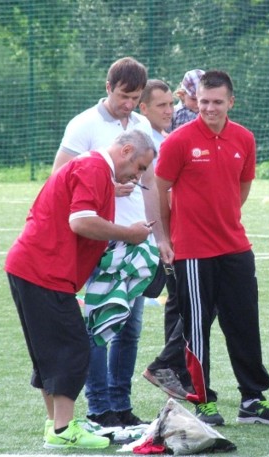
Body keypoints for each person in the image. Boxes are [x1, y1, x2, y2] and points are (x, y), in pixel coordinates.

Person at [155, 70, 269, 427]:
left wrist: (223, 217)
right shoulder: (179, 141)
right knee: (197, 328)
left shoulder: (244, 138)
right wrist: (164, 239)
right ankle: (202, 401)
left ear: (231, 101)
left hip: (235, 247)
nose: (209, 109)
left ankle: (252, 400)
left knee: (244, 323)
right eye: (203, 102)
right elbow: (159, 191)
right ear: (195, 101)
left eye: (217, 102)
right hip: (193, 252)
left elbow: (241, 188)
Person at [5, 130, 156, 449]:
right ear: (126, 150)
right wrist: (129, 234)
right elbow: (81, 221)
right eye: (140, 166)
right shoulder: (94, 167)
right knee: (73, 348)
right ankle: (63, 430)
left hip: (35, 268)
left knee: (49, 353)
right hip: (44, 270)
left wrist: (111, 191)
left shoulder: (95, 170)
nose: (139, 175)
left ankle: (57, 425)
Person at [52, 57, 165, 428]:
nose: (128, 104)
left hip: (136, 240)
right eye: (123, 96)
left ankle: (120, 404)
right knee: (101, 324)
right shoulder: (83, 125)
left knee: (130, 327)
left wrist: (159, 235)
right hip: (101, 238)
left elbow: (149, 183)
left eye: (135, 97)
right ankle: (99, 407)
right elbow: (59, 179)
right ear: (108, 87)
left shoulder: (143, 125)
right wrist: (106, 189)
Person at [138, 79, 194, 400]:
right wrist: (162, 237)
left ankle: (176, 371)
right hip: (158, 237)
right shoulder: (144, 142)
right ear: (143, 108)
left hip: (172, 234)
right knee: (193, 304)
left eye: (171, 104)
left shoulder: (165, 138)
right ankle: (167, 366)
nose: (169, 111)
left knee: (178, 303)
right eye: (161, 105)